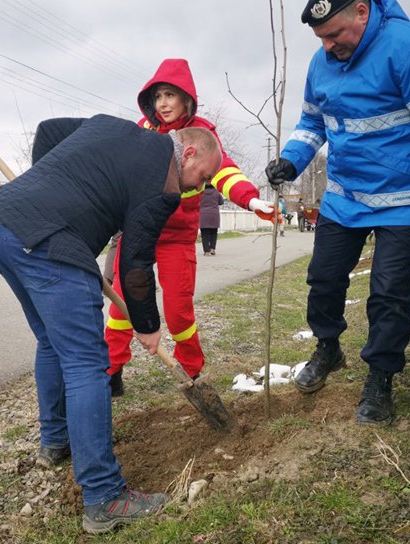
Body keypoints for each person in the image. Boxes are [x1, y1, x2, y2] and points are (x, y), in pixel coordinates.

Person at [0, 115, 222, 533]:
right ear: (187, 153)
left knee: (52, 343)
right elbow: (134, 266)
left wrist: (51, 186)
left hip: (3, 226)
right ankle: (104, 496)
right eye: (200, 176)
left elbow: (48, 131)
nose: (195, 188)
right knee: (87, 364)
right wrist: (147, 325)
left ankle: (56, 442)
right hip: (48, 242)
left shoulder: (109, 125)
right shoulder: (163, 185)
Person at [266, 0, 410, 425]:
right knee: (323, 278)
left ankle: (380, 377)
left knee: (388, 294)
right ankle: (329, 347)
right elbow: (313, 124)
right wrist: (292, 160)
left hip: (406, 203)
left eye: (334, 35)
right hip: (344, 199)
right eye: (320, 38)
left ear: (362, 11)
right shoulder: (322, 61)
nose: (327, 47)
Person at [105, 58, 279, 396]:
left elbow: (225, 171)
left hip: (176, 239)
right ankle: (110, 371)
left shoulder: (204, 134)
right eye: (157, 97)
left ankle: (193, 373)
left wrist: (252, 200)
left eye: (170, 95)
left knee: (178, 311)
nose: (163, 104)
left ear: (187, 98)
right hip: (139, 231)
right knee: (121, 305)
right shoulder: (143, 130)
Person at [199, 184, 223, 254]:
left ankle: (206, 251)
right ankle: (212, 249)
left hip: (203, 215)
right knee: (214, 233)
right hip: (214, 215)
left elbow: (197, 202)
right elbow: (221, 202)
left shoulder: (201, 193)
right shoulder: (216, 192)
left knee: (204, 234)